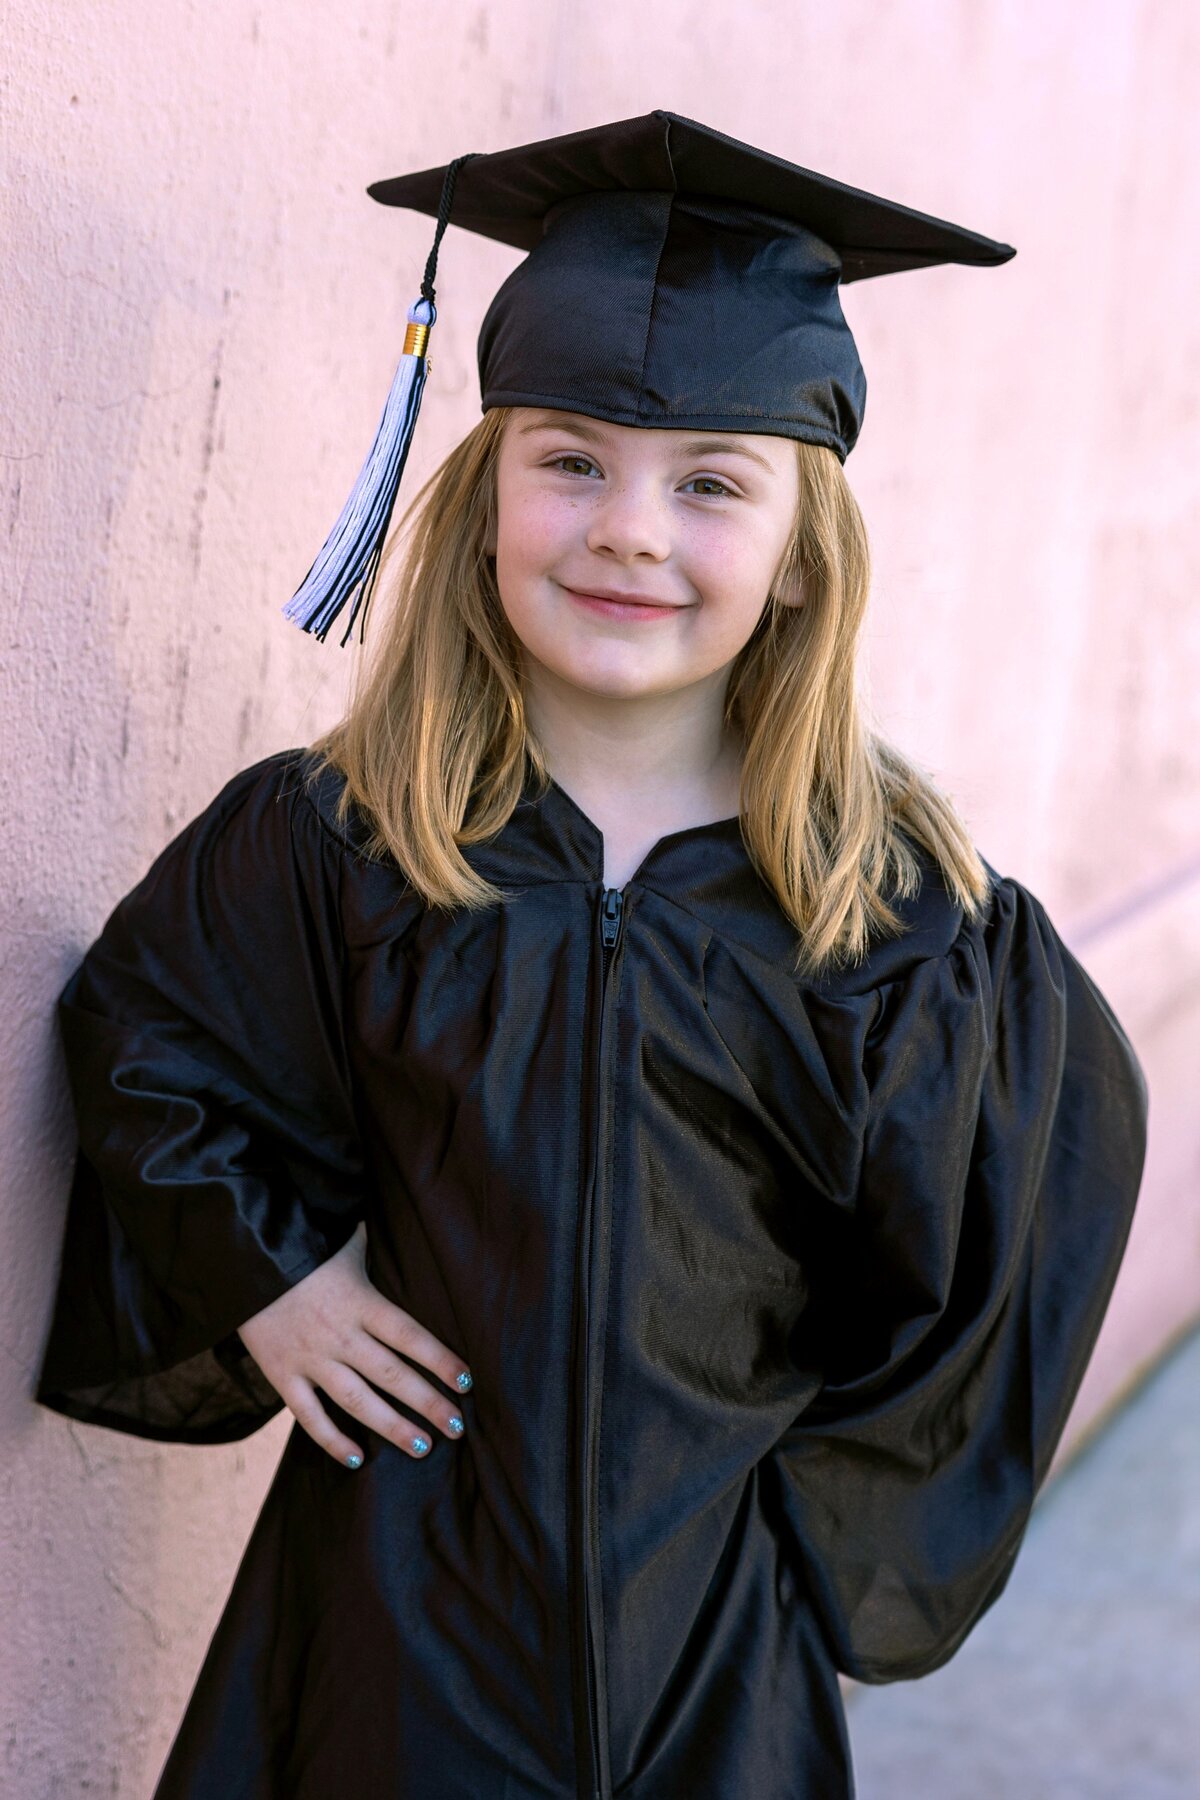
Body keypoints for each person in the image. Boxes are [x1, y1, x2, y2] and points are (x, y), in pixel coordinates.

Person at [32, 111, 1148, 1799]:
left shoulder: (897, 920)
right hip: (389, 1618)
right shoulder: (346, 842)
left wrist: (798, 1525)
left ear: (796, 558)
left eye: (712, 483)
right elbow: (146, 1037)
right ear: (487, 494)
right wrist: (269, 1279)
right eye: (571, 459)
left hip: (719, 1638)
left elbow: (1000, 1243)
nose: (631, 527)